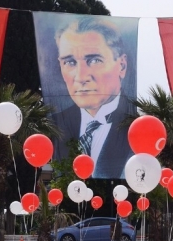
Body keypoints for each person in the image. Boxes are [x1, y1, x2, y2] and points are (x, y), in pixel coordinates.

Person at [51, 17, 135, 179]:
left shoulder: (137, 126)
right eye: (70, 62)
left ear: (122, 65)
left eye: (95, 60)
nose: (81, 77)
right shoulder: (54, 124)